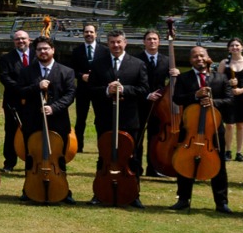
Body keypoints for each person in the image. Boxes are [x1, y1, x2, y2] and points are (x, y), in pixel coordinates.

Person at [169, 45, 232, 213]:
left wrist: (213, 102)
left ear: (207, 57)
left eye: (202, 55)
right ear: (191, 60)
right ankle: (183, 199)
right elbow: (177, 98)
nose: (199, 59)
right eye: (195, 56)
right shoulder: (184, 78)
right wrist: (195, 95)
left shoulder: (221, 78)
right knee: (184, 161)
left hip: (213, 130)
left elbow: (230, 100)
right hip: (190, 128)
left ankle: (221, 202)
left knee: (219, 165)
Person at [16, 36, 76, 201]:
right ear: (35, 52)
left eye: (46, 48)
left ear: (53, 50)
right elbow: (20, 92)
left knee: (59, 157)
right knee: (31, 156)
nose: (43, 52)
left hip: (58, 121)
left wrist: (53, 108)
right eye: (39, 49)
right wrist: (37, 86)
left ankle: (64, 191)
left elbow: (70, 95)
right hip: (33, 121)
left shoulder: (66, 71)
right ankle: (28, 189)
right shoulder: (27, 71)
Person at [90, 30, 149, 182]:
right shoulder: (97, 64)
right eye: (112, 42)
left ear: (125, 43)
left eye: (119, 42)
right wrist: (106, 90)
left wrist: (124, 89)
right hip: (105, 119)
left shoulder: (138, 64)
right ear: (107, 44)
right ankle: (101, 189)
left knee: (131, 157)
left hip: (129, 120)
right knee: (104, 155)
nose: (116, 45)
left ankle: (133, 190)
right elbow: (90, 90)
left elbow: (144, 90)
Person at [133, 29, 171, 177]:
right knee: (138, 136)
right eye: (149, 39)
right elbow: (134, 81)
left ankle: (153, 168)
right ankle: (136, 167)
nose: (152, 41)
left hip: (160, 105)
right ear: (144, 42)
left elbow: (170, 83)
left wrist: (176, 75)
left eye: (155, 39)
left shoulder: (167, 60)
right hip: (140, 102)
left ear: (159, 42)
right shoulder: (136, 59)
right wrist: (146, 95)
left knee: (155, 137)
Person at [0, 29, 32, 170]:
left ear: (29, 40)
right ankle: (9, 163)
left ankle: (31, 161)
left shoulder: (37, 55)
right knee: (11, 131)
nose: (20, 41)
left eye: (23, 38)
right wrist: (22, 89)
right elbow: (4, 78)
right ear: (14, 42)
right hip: (13, 101)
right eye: (17, 39)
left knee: (33, 131)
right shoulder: (6, 58)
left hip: (33, 100)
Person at [220, 39, 243, 163]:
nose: (234, 47)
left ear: (242, 47)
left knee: (241, 124)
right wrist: (228, 83)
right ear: (228, 48)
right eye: (232, 45)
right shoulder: (224, 63)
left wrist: (241, 90)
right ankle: (228, 151)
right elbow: (218, 80)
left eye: (237, 45)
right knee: (229, 125)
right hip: (228, 97)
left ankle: (239, 152)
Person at [67, 23, 101, 150]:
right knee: (81, 119)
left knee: (100, 119)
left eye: (91, 32)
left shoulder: (104, 51)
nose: (89, 34)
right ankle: (78, 146)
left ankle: (101, 145)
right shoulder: (77, 51)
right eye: (86, 32)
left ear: (96, 34)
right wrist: (81, 76)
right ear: (83, 34)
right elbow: (71, 70)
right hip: (82, 90)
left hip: (99, 90)